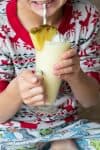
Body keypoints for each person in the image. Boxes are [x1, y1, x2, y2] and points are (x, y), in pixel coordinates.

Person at [0, 0, 99, 149]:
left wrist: (77, 76)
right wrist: (16, 91)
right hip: (11, 130)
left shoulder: (86, 15)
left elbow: (91, 100)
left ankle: (61, 141)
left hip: (68, 127)